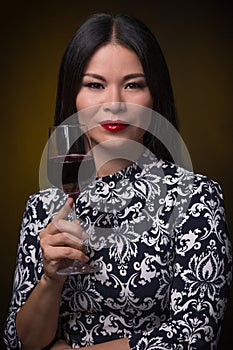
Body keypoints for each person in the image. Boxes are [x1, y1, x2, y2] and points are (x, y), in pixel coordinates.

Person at [3, 12, 232, 350]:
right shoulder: (43, 207)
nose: (114, 103)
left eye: (133, 84)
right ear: (72, 97)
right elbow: (19, 342)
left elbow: (194, 337)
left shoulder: (195, 197)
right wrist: (51, 278)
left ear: (155, 95)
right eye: (95, 85)